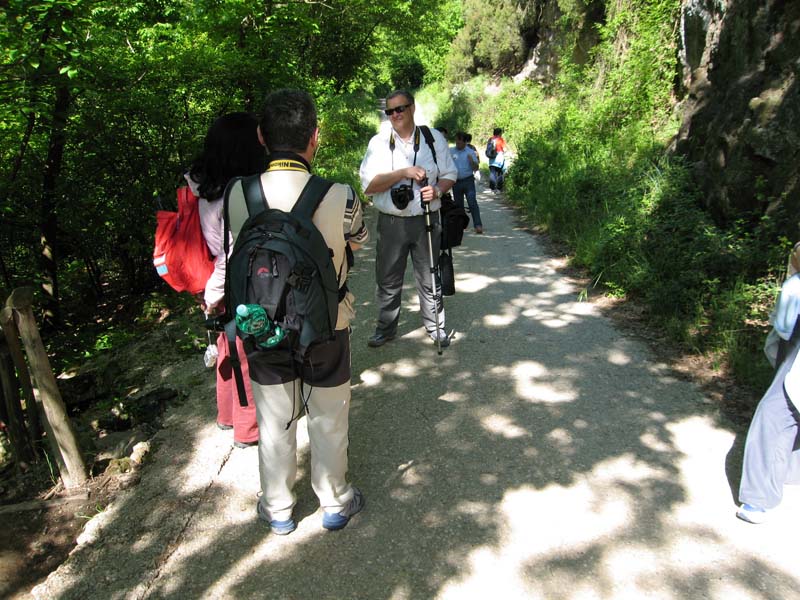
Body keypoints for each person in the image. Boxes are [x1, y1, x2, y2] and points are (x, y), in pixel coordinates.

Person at [222, 89, 369, 535]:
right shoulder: (339, 194)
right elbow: (358, 241)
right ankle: (335, 501)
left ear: (262, 137)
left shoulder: (238, 194)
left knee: (272, 418)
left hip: (261, 323)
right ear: (315, 138)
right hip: (327, 324)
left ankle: (279, 508)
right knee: (329, 413)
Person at [188, 112, 267, 449]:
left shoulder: (202, 184)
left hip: (210, 276)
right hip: (232, 279)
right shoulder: (237, 193)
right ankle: (248, 429)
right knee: (246, 351)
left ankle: (226, 415)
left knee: (226, 345)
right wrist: (215, 292)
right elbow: (231, 248)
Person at [360, 90, 457, 348]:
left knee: (430, 275)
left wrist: (437, 190)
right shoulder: (378, 143)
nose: (395, 115)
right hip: (392, 222)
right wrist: (403, 172)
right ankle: (386, 329)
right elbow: (369, 186)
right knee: (388, 279)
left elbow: (450, 174)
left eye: (400, 108)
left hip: (427, 218)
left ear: (412, 108)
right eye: (390, 111)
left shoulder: (433, 138)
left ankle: (436, 326)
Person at [737, 242, 800, 523]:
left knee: (775, 415)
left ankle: (758, 500)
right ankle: (789, 470)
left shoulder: (795, 286)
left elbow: (785, 329)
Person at [450, 131, 482, 234]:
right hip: (456, 181)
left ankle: (478, 225)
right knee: (458, 205)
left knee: (472, 202)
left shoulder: (470, 152)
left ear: (464, 142)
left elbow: (476, 168)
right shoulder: (451, 151)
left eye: (459, 142)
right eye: (456, 142)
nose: (457, 144)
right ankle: (460, 226)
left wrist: (471, 161)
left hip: (468, 181)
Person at [487, 127, 507, 191]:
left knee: (492, 172)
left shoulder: (490, 139)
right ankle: (499, 187)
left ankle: (492, 187)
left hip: (491, 157)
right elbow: (505, 149)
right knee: (500, 173)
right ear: (499, 133)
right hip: (499, 158)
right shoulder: (501, 140)